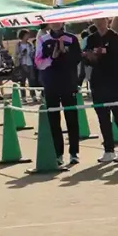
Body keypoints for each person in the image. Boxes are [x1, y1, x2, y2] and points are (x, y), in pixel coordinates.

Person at [85, 17, 118, 162]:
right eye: (96, 20)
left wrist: (101, 55)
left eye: (102, 19)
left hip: (114, 83)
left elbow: (117, 59)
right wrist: (90, 57)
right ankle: (108, 150)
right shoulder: (91, 38)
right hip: (97, 83)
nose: (99, 22)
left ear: (108, 20)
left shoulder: (115, 37)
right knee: (103, 119)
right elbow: (87, 59)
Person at [36, 23, 82, 165]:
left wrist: (64, 52)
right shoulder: (43, 40)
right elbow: (38, 63)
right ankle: (58, 153)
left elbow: (77, 59)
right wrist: (52, 57)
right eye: (53, 21)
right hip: (51, 85)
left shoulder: (72, 38)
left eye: (59, 21)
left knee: (72, 118)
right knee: (54, 120)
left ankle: (74, 153)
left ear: (63, 22)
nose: (56, 24)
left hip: (68, 84)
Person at [13, 30, 40, 102]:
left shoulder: (29, 44)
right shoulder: (18, 45)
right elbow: (15, 55)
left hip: (30, 63)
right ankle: (23, 97)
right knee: (22, 81)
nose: (28, 36)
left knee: (31, 80)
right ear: (23, 35)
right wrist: (21, 54)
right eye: (26, 35)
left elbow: (32, 54)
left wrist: (32, 54)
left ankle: (33, 96)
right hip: (22, 64)